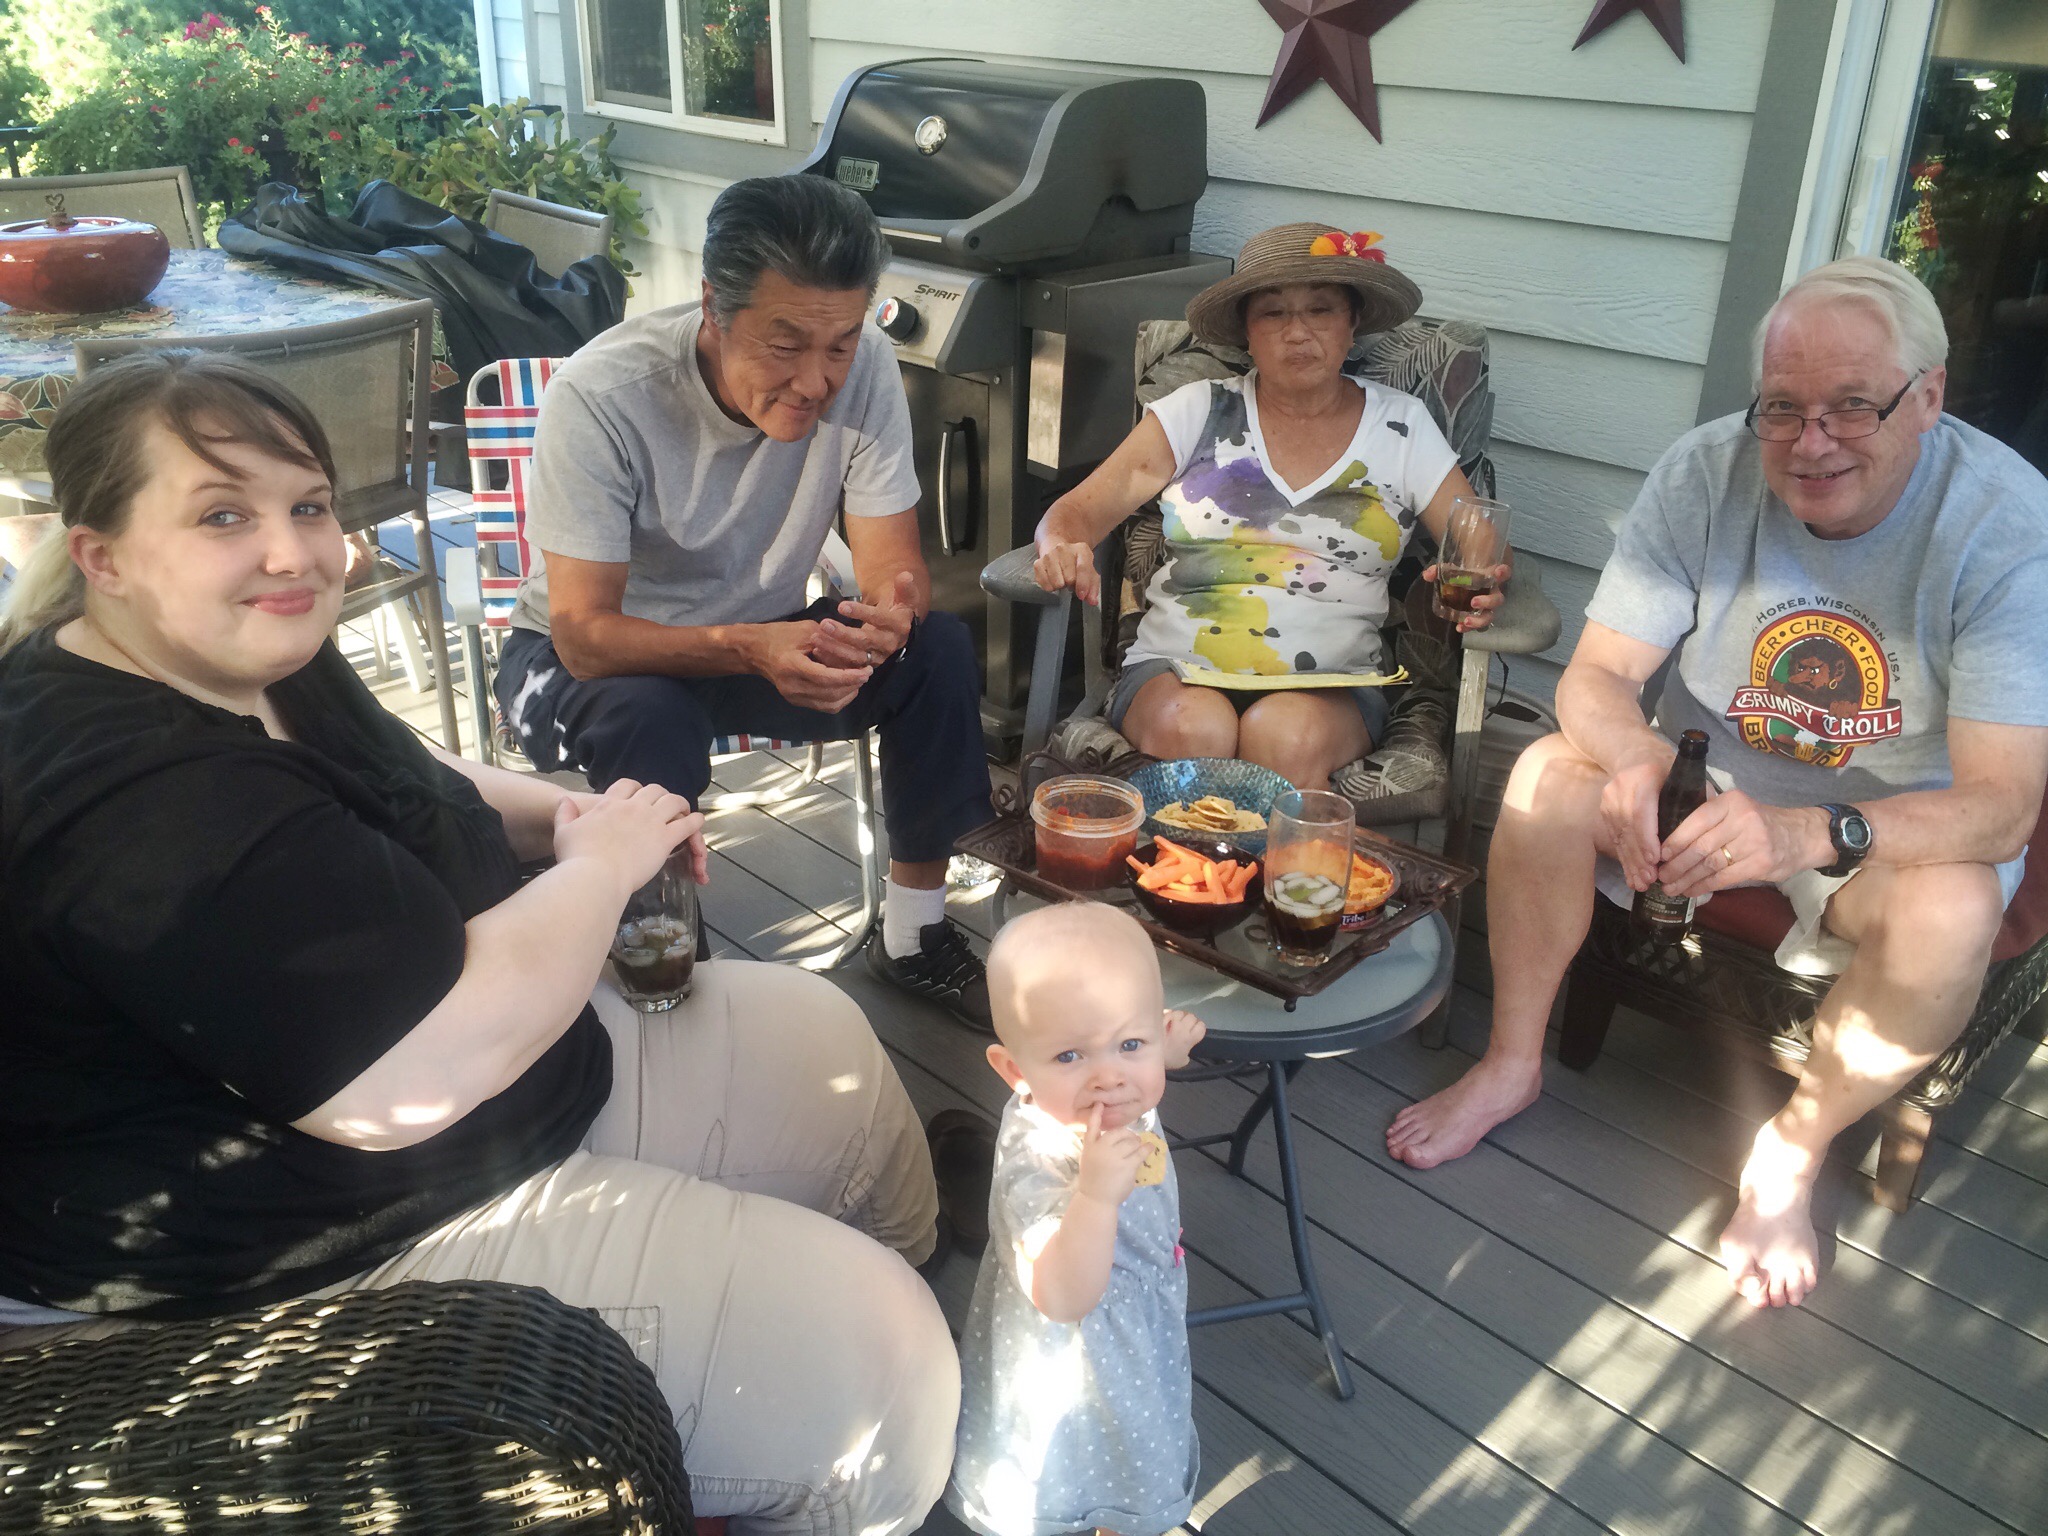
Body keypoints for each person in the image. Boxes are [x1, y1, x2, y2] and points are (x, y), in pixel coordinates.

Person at [0, 354, 959, 1534]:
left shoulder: (237, 648)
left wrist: (562, 815)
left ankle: (886, 1297)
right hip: (301, 1252)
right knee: (884, 1370)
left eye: (307, 505)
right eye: (221, 516)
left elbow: (405, 764)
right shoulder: (135, 798)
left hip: (481, 1098)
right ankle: (842, 1433)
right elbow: (404, 1079)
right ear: (101, 556)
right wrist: (600, 867)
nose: (292, 552)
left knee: (824, 1043)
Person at [1386, 256, 2048, 1309]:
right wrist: (1640, 762)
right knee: (1548, 776)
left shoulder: (2007, 527)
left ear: (1928, 396)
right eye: (1781, 408)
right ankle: (1511, 1061)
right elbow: (1598, 679)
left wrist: (1806, 833)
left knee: (1957, 905)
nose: (1809, 442)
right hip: (1701, 788)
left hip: (1880, 829)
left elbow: (2001, 808)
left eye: (1851, 406)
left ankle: (1791, 1151)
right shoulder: (1705, 471)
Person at [492, 173, 995, 1026]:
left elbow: (892, 567)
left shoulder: (867, 364)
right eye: (785, 344)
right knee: (648, 714)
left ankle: (913, 935)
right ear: (713, 309)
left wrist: (889, 619)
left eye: (839, 344)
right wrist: (746, 647)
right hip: (582, 667)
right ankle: (671, 963)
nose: (816, 380)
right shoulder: (601, 395)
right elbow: (583, 635)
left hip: (759, 642)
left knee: (936, 650)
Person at [1030, 221, 1505, 791]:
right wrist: (1061, 548)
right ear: (1246, 334)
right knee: (1193, 729)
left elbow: (1476, 535)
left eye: (1321, 309)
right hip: (1177, 669)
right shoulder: (1195, 410)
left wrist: (1482, 577)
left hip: (1330, 683)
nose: (1297, 332)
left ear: (1352, 323)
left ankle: (1253, 853)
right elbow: (1077, 512)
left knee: (1283, 738)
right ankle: (1199, 854)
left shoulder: (1401, 425)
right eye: (1273, 313)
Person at [946, 904, 1206, 1536]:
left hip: (1138, 1320)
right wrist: (1094, 1199)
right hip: (1078, 1361)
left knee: (1134, 1435)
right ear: (1016, 1072)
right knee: (1090, 1462)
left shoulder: (1110, 1095)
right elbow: (1061, 1297)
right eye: (1069, 1056)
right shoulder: (1038, 1164)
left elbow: (1115, 1061)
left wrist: (1163, 1053)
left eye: (1130, 1044)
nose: (1110, 1079)